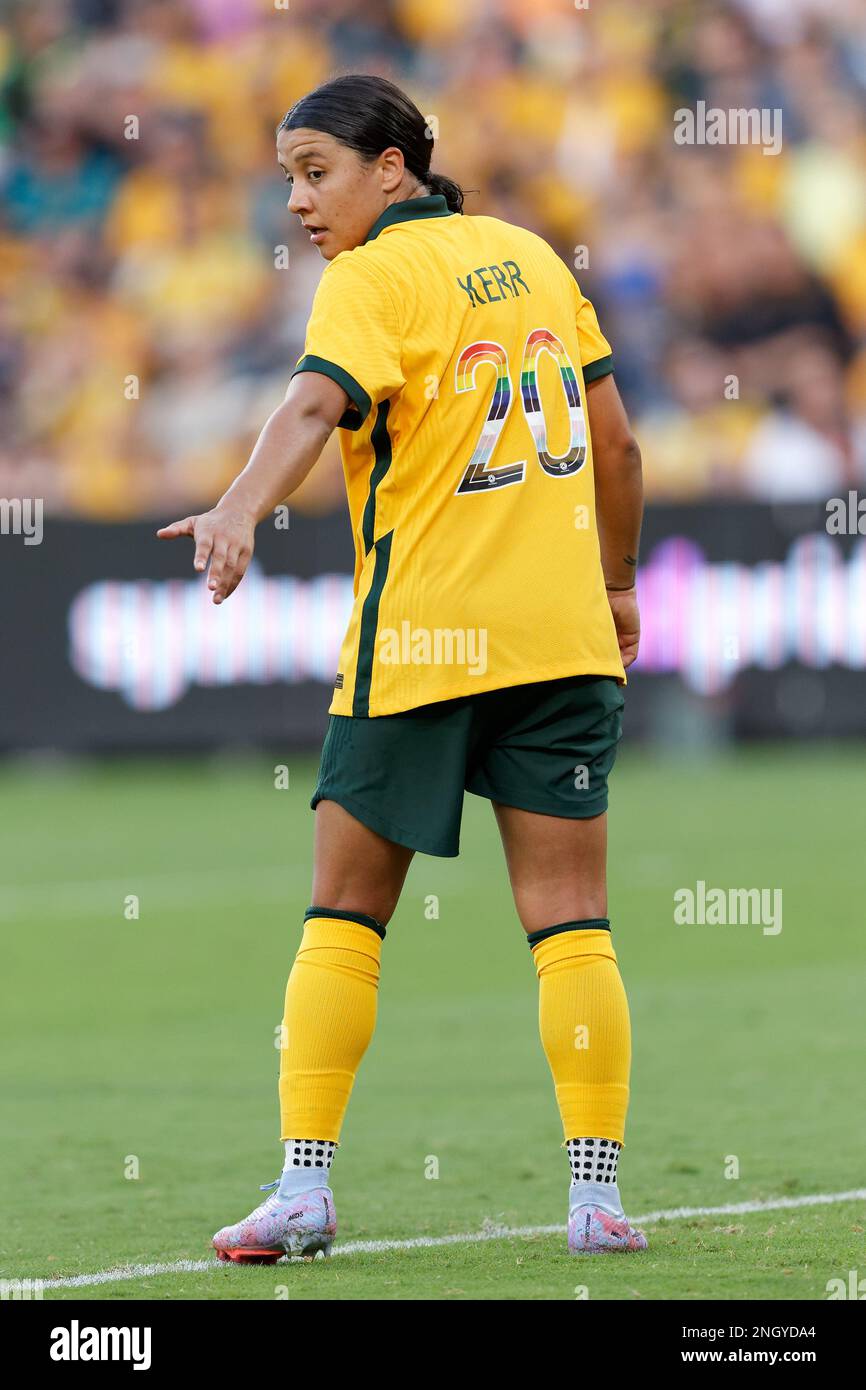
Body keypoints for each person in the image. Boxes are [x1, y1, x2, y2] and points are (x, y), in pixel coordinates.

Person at [157, 73, 646, 1260]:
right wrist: (619, 583)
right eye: (287, 177)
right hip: (560, 641)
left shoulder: (370, 277)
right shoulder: (530, 253)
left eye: (314, 172)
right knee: (572, 921)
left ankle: (303, 1188)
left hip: (421, 639)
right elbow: (618, 441)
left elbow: (315, 404)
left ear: (392, 167)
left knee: (344, 910)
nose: (296, 203)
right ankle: (594, 1199)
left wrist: (235, 508)